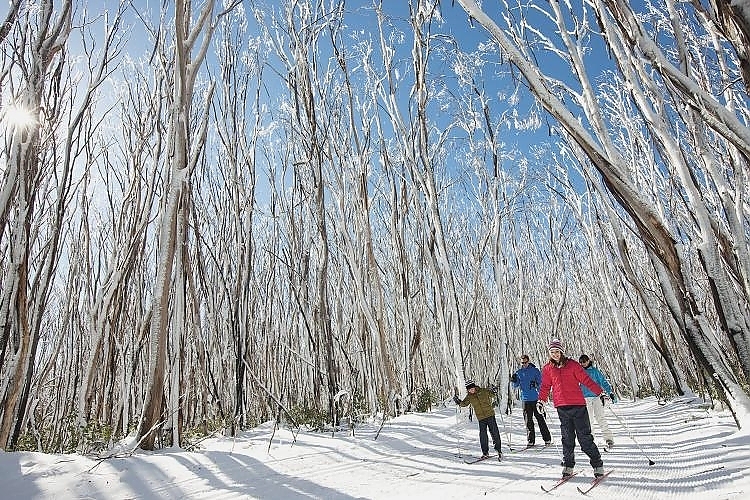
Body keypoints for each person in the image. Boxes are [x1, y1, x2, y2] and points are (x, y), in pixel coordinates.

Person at [537, 339, 608, 478]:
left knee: (584, 439)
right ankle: (568, 465)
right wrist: (541, 401)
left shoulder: (573, 365)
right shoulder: (547, 369)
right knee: (567, 439)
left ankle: (598, 465)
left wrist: (600, 392)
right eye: (552, 352)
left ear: (561, 352)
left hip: (578, 407)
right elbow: (545, 386)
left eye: (557, 351)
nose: (555, 354)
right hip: (562, 408)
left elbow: (586, 381)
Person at [454, 379, 503, 460]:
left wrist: (494, 391)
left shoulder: (483, 391)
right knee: (483, 435)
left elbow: (493, 395)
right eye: (469, 389)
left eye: (472, 388)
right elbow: (464, 404)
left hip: (490, 415)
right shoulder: (469, 396)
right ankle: (485, 452)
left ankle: (498, 450)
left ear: (474, 387)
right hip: (481, 418)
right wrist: (458, 402)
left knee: (494, 432)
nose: (471, 390)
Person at [511, 354, 552, 447]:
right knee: (528, 421)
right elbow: (515, 386)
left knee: (540, 419)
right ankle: (531, 441)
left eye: (525, 362)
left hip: (535, 398)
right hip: (525, 399)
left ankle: (547, 439)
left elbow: (541, 384)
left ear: (528, 361)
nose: (524, 364)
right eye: (522, 363)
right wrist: (513, 380)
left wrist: (536, 385)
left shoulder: (535, 371)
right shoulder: (519, 372)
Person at [578, 354, 616, 448]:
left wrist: (610, 392)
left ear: (588, 361)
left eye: (584, 361)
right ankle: (590, 440)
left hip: (596, 397)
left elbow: (603, 381)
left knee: (600, 417)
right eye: (581, 362)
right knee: (589, 420)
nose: (583, 363)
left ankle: (608, 438)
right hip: (585, 398)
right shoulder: (579, 372)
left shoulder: (595, 371)